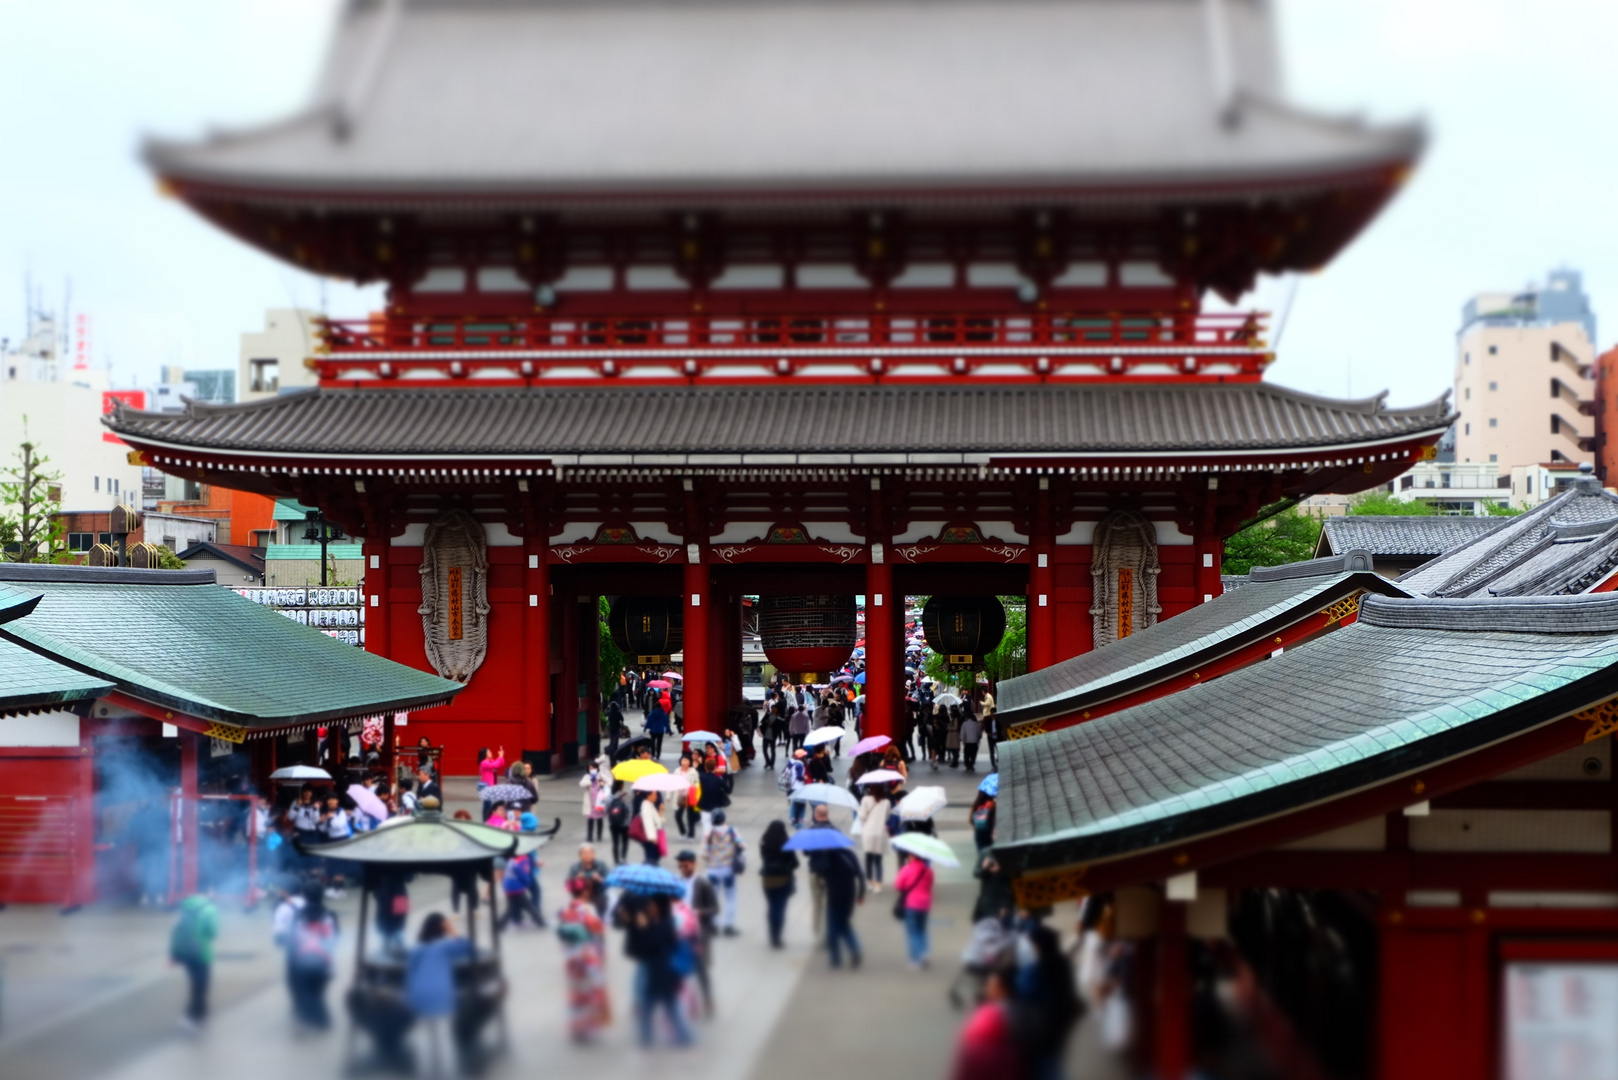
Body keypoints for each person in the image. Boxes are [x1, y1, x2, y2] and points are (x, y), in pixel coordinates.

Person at [618, 894, 692, 1047]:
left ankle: (683, 1038)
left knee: (669, 1009)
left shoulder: (667, 924)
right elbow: (638, 949)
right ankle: (647, 1039)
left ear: (660, 906)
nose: (649, 907)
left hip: (665, 975)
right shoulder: (652, 923)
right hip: (654, 976)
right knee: (650, 1009)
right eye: (648, 905)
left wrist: (643, 928)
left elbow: (653, 943)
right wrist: (632, 923)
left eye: (652, 905)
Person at [408, 913, 474, 1078]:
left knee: (425, 1040)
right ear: (442, 928)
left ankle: (426, 1074)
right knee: (444, 1040)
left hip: (419, 995)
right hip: (440, 994)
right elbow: (468, 946)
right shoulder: (445, 947)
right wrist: (452, 930)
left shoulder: (417, 949)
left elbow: (409, 974)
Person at [558, 876, 611, 1042]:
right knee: (590, 992)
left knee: (576, 992)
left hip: (570, 955)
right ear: (585, 891)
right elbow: (598, 929)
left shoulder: (565, 910)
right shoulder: (587, 909)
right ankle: (589, 1029)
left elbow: (562, 934)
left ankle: (577, 1027)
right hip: (587, 954)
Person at [948, 965, 1024, 1080]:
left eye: (992, 986)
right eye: (988, 985)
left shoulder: (993, 1015)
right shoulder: (999, 1012)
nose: (987, 988)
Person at [286, 885, 339, 1030]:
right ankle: (320, 1020)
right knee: (317, 993)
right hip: (323, 962)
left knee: (307, 994)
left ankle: (312, 1020)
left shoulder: (298, 915)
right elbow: (335, 939)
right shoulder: (330, 915)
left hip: (302, 962)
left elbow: (292, 940)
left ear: (305, 897)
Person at [674, 850, 719, 1017]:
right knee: (682, 972)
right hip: (681, 933)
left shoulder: (703, 884)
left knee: (700, 970)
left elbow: (715, 908)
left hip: (699, 934)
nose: (682, 868)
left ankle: (708, 1000)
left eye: (685, 865)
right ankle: (689, 1005)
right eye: (680, 866)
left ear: (694, 864)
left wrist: (700, 912)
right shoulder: (677, 883)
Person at [169, 889, 219, 1031]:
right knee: (201, 985)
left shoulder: (185, 906)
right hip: (201, 953)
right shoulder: (210, 909)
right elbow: (213, 932)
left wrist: (174, 955)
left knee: (194, 983)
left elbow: (176, 931)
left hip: (185, 953)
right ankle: (194, 1015)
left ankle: (200, 1013)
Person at [818, 837, 866, 969]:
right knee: (844, 924)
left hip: (834, 896)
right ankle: (855, 948)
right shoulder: (850, 855)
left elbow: (821, 873)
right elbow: (860, 875)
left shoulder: (828, 856)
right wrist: (861, 894)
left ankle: (835, 959)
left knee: (833, 928)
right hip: (849, 896)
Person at [701, 809, 744, 936]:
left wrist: (712, 857)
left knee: (713, 897)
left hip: (713, 870)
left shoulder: (709, 833)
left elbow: (703, 853)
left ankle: (713, 925)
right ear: (724, 819)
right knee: (730, 897)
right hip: (728, 869)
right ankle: (728, 925)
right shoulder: (732, 831)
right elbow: (742, 846)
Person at [757, 820, 798, 949]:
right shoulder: (787, 843)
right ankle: (777, 937)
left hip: (768, 878)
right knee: (780, 908)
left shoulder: (764, 843)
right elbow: (795, 863)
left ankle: (772, 934)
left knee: (771, 906)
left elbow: (764, 858)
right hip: (783, 878)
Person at [893, 853, 935, 970]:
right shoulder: (928, 870)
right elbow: (930, 885)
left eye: (909, 855)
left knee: (912, 933)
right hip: (925, 904)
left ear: (912, 857)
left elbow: (898, 885)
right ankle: (924, 955)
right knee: (922, 930)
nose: (907, 856)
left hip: (911, 904)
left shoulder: (906, 869)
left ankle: (915, 960)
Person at [856, 784, 892, 893]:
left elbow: (863, 817)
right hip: (880, 832)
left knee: (868, 859)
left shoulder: (865, 799)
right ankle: (878, 884)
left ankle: (869, 882)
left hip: (868, 832)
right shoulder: (886, 802)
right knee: (878, 860)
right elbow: (887, 818)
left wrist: (859, 812)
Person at [500, 852, 544, 929]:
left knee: (511, 907)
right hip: (517, 889)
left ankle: (501, 924)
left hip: (509, 888)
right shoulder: (522, 860)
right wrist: (526, 882)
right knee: (529, 906)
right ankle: (541, 922)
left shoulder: (511, 861)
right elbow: (522, 874)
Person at [567, 843, 609, 914]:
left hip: (598, 894)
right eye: (585, 853)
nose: (588, 855)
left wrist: (599, 878)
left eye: (590, 852)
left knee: (601, 904)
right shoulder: (574, 867)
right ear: (579, 856)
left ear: (594, 854)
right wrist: (577, 878)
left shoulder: (601, 865)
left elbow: (608, 882)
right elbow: (569, 886)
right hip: (580, 896)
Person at [580, 759, 610, 843]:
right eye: (590, 768)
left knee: (599, 819)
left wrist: (603, 783)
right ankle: (589, 836)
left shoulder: (601, 775)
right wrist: (590, 780)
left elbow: (610, 782)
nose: (592, 769)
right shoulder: (587, 777)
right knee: (590, 819)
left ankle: (599, 835)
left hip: (600, 800)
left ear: (597, 768)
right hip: (591, 802)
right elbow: (581, 784)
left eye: (594, 768)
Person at [636, 790, 666, 865]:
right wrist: (652, 837)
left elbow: (657, 820)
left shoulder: (650, 804)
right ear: (648, 795)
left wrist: (661, 810)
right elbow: (647, 822)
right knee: (651, 859)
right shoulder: (646, 806)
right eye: (654, 794)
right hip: (650, 837)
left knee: (654, 858)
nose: (656, 796)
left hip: (653, 835)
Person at [672, 755, 699, 839]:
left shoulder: (693, 772)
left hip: (690, 795)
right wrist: (669, 796)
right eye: (683, 760)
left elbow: (697, 783)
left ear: (689, 762)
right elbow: (672, 783)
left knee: (690, 816)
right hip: (680, 796)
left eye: (686, 760)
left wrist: (694, 789)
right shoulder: (676, 771)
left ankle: (691, 834)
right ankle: (683, 832)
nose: (684, 762)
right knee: (678, 816)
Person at [606, 781, 632, 864]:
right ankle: (623, 858)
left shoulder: (609, 797)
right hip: (625, 823)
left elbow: (606, 810)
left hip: (613, 823)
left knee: (615, 842)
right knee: (625, 842)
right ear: (622, 786)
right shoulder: (626, 796)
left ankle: (616, 860)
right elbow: (630, 810)